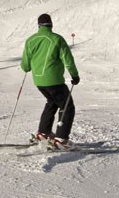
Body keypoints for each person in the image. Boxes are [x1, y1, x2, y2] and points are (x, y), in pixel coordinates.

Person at [21, 13, 80, 149]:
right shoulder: (57, 39)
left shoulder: (30, 40)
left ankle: (44, 132)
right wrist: (74, 75)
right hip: (55, 81)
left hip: (39, 82)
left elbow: (25, 66)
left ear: (39, 25)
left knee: (52, 102)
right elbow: (68, 59)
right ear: (51, 24)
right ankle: (61, 139)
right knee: (67, 106)